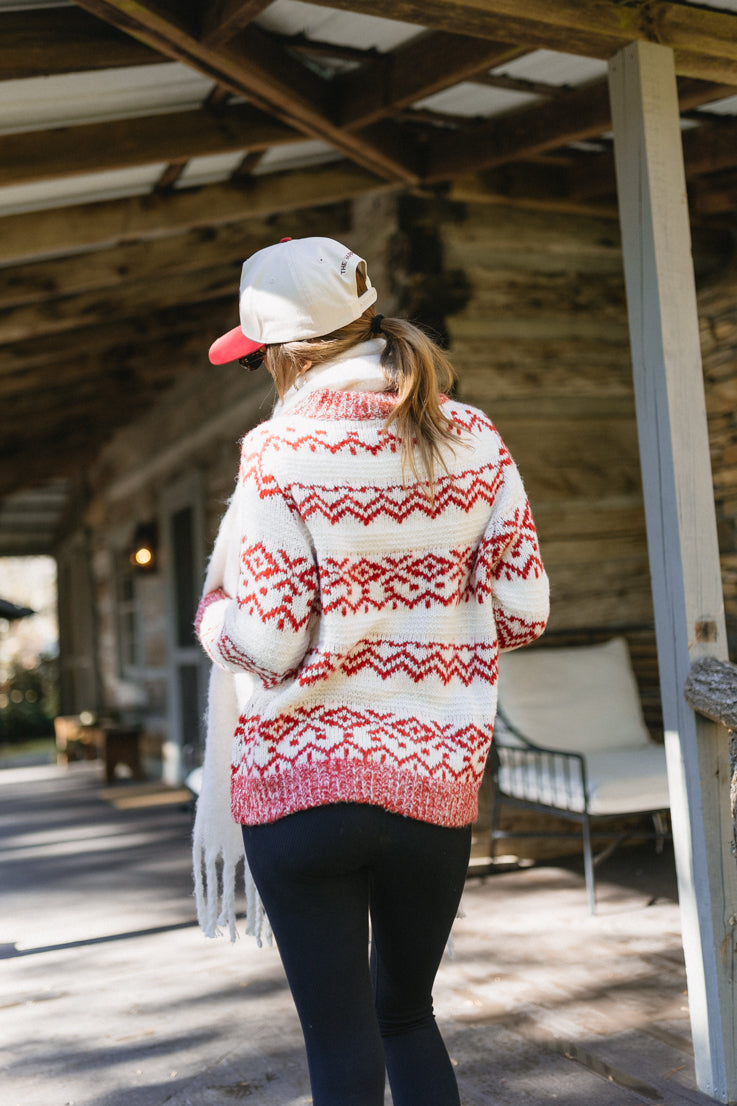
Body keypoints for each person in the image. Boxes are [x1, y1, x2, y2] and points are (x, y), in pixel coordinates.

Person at [192, 235, 550, 1106]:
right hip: (433, 782)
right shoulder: (472, 436)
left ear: (284, 353)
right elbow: (525, 611)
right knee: (407, 1018)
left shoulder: (278, 452)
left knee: (340, 1043)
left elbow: (270, 643)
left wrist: (212, 622)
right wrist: (433, 625)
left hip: (302, 789)